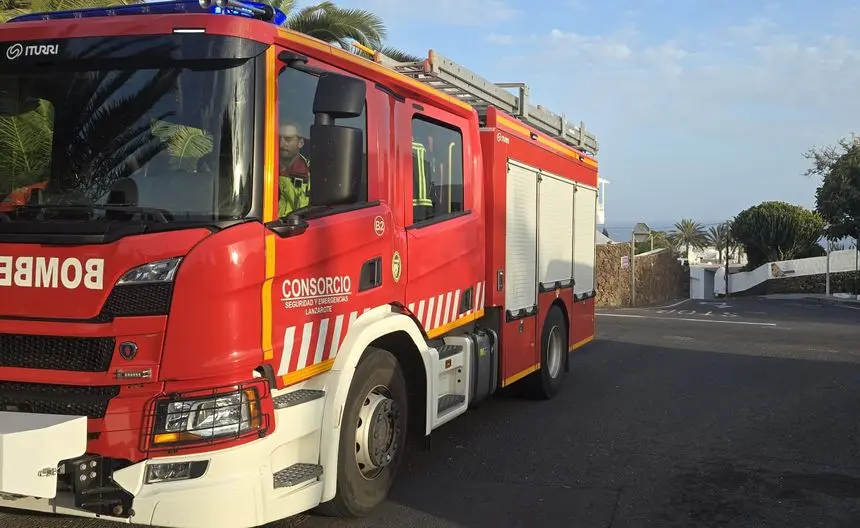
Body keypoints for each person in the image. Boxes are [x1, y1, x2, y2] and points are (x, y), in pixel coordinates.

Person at [278, 121, 311, 217]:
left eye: (288, 139)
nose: (281, 144)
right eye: (279, 138)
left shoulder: (311, 173)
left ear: (300, 143)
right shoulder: (261, 169)